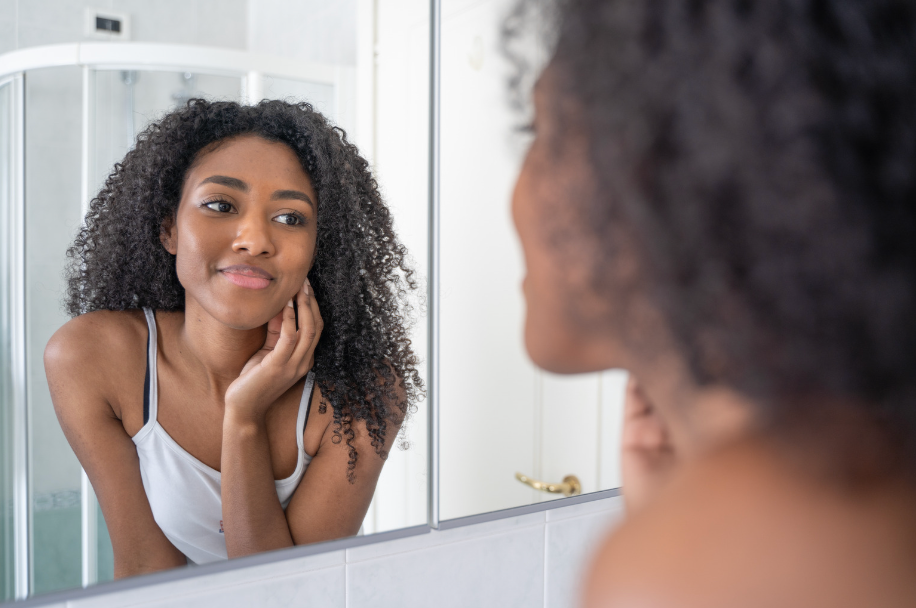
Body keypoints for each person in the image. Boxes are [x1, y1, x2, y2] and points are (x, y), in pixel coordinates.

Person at [509, 0, 916, 605]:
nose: (517, 190)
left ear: (648, 177)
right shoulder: (860, 473)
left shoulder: (694, 565)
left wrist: (687, 537)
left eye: (538, 133)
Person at [44, 99, 423, 577]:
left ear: (316, 249)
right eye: (220, 205)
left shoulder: (364, 393)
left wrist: (244, 416)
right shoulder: (91, 358)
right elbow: (145, 566)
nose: (255, 239)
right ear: (169, 228)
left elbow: (284, 594)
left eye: (290, 218)